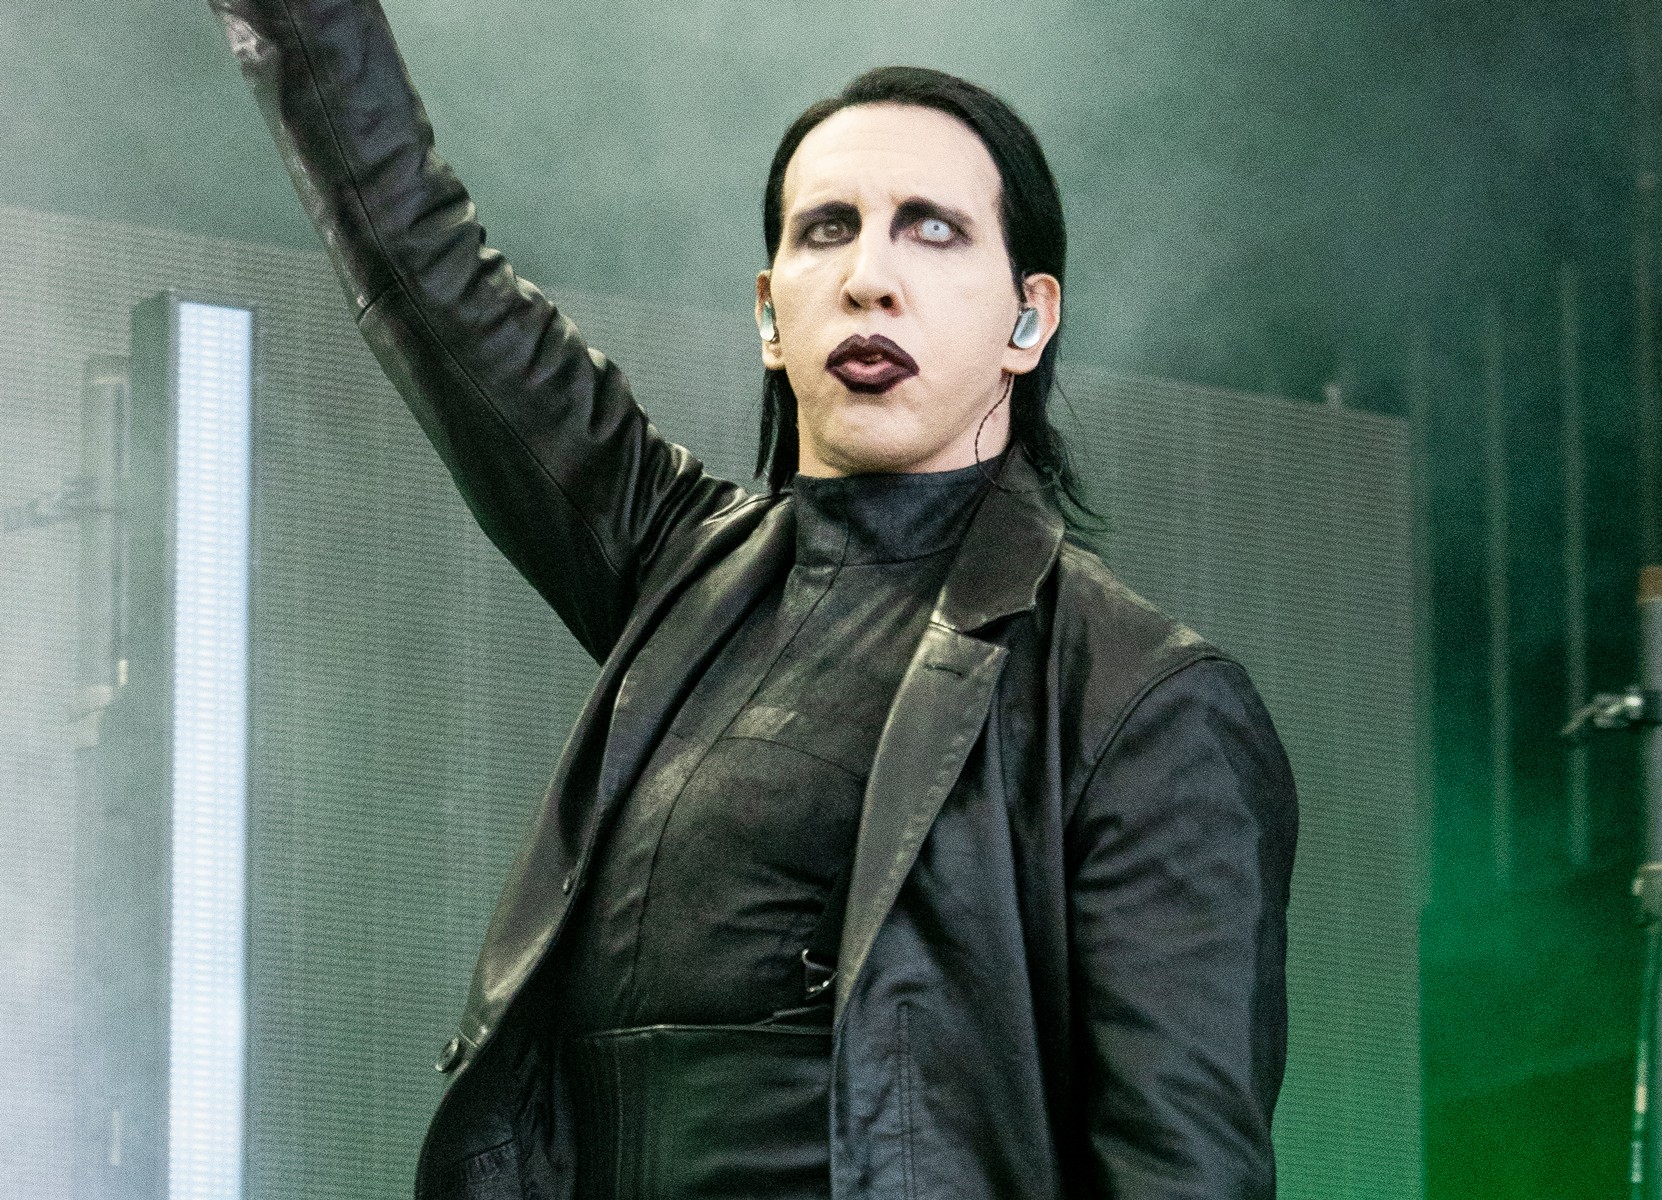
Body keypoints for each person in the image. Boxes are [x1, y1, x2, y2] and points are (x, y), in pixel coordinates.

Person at [210, 1, 1300, 1196]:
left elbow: (1182, 1167)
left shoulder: (1140, 702)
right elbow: (429, 276)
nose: (870, 279)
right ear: (772, 314)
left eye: (932, 230)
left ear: (1028, 319)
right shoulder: (682, 567)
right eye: (827, 230)